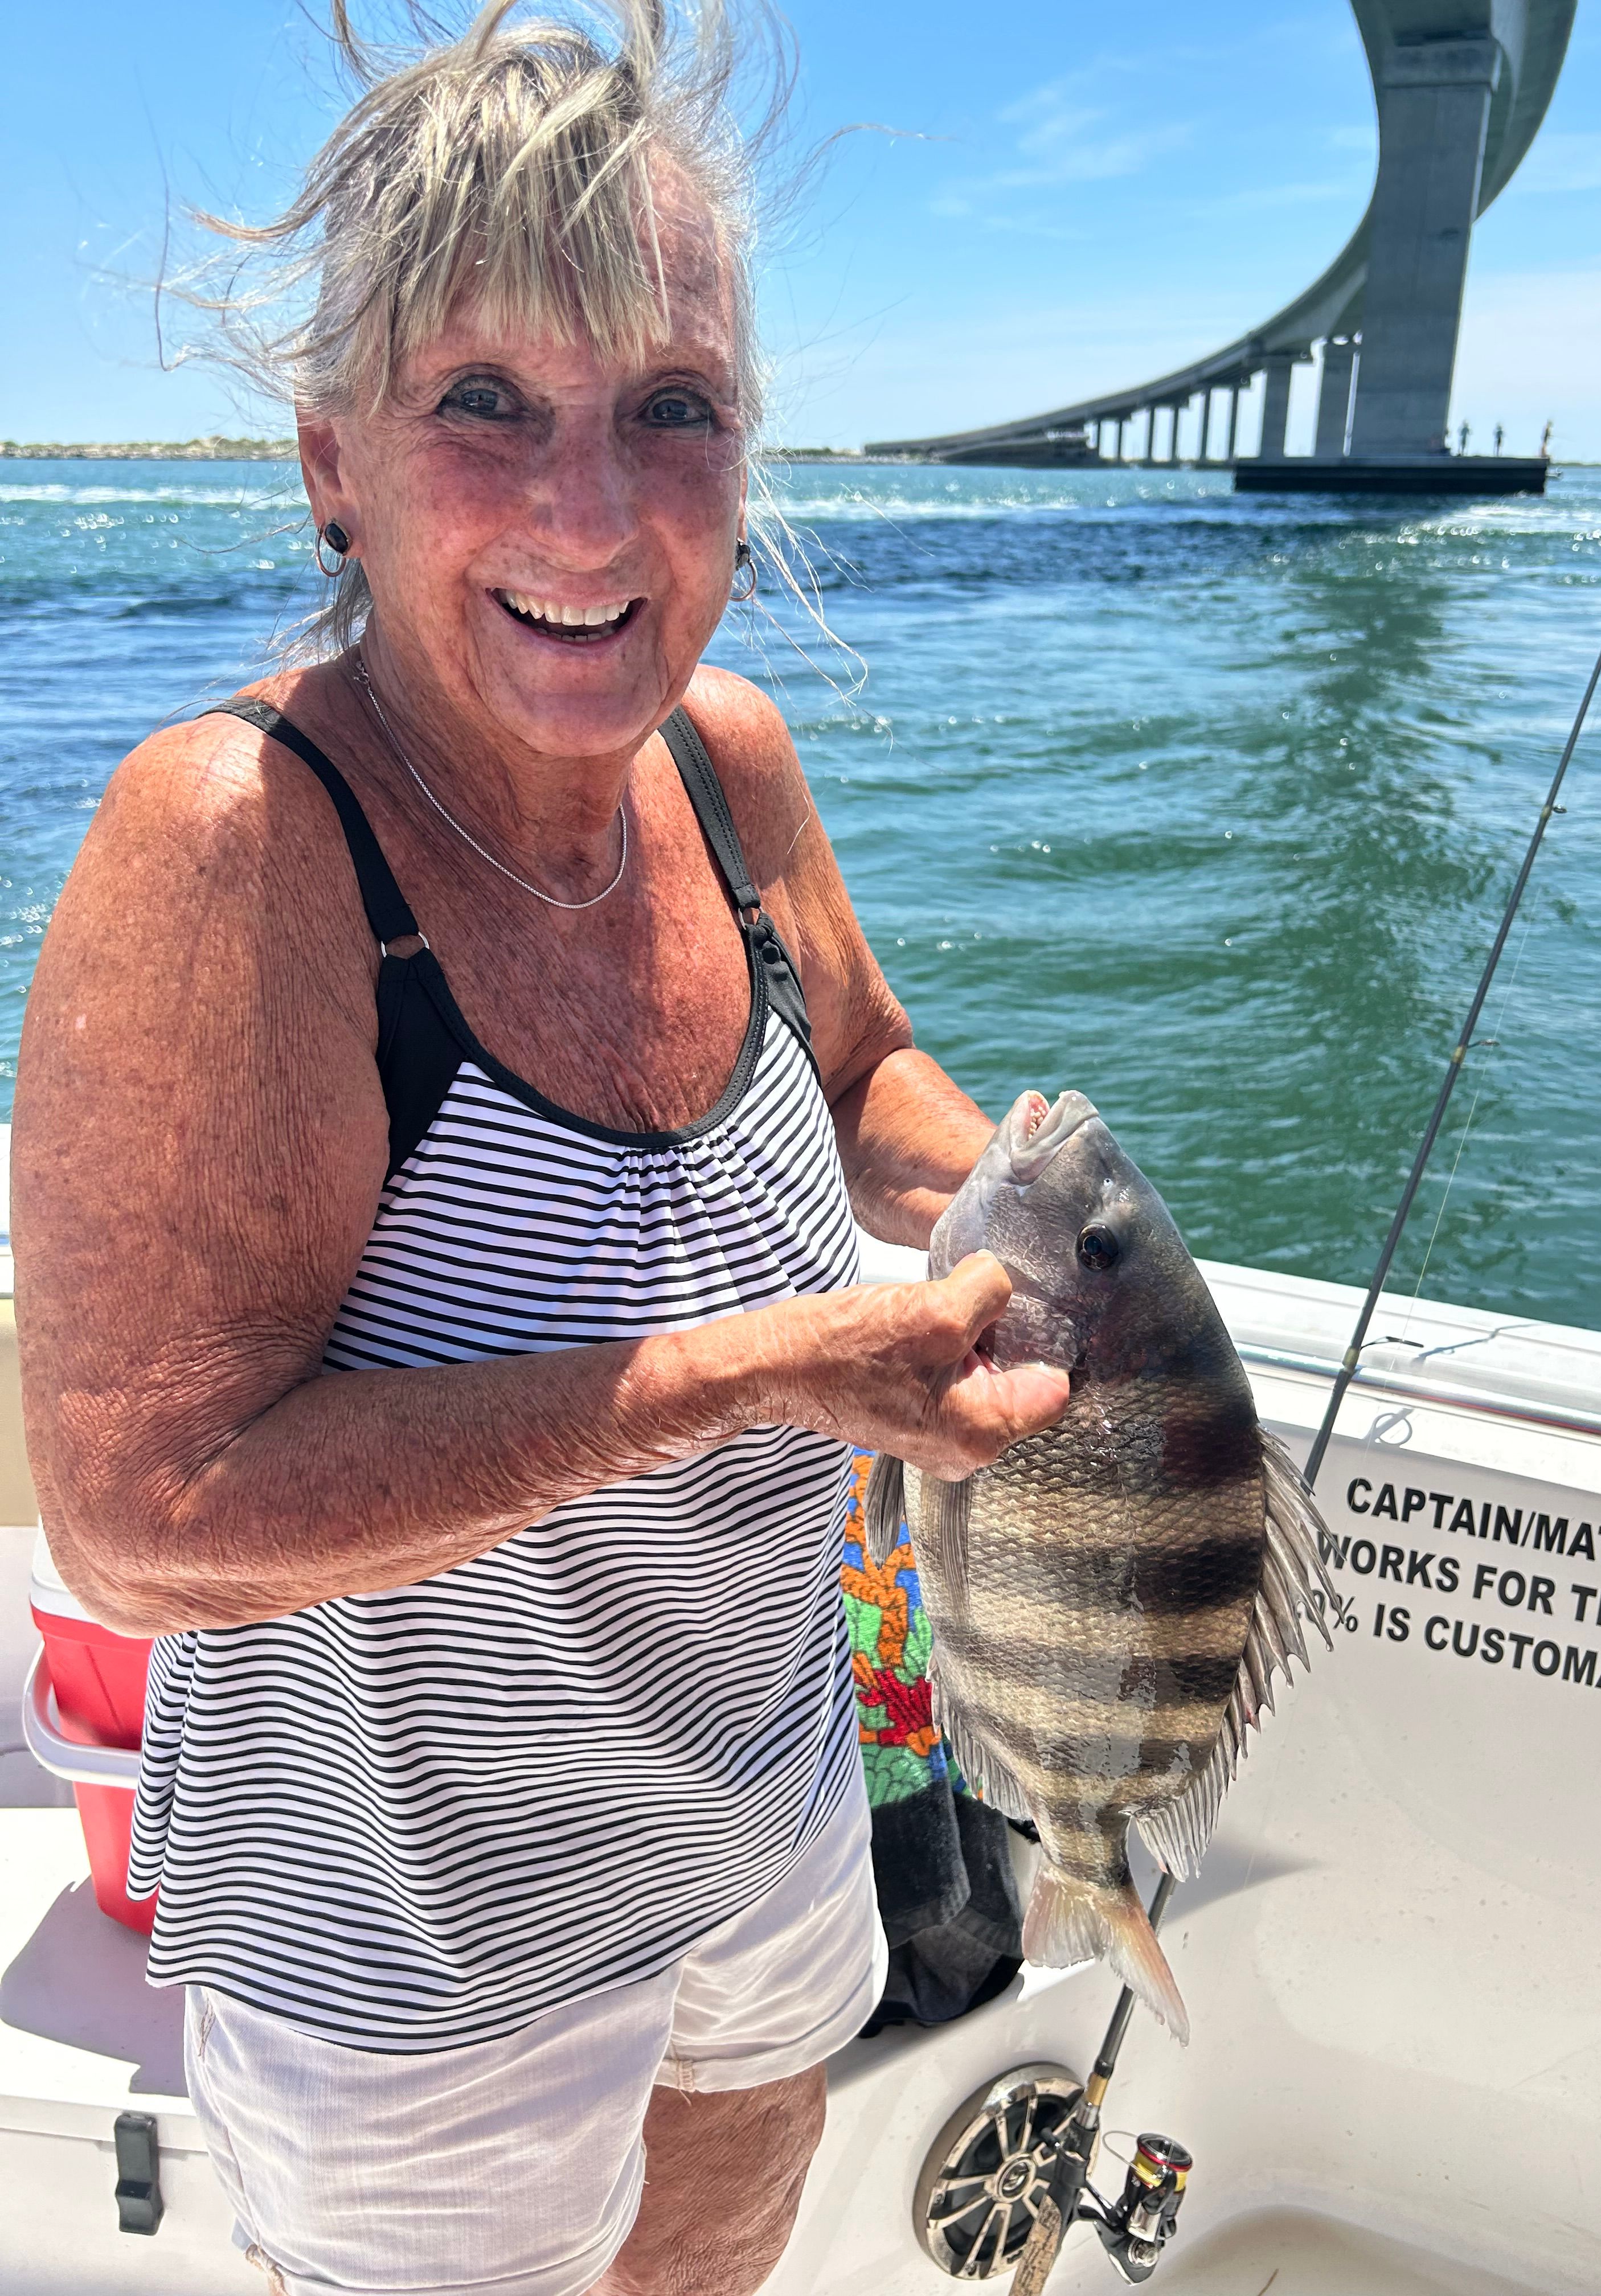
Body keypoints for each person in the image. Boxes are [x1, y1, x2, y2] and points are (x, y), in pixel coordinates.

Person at [10, 7, 1068, 2294]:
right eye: (485, 402)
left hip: (765, 1815)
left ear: (744, 447)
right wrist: (766, 1374)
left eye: (668, 410)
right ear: (331, 463)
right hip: (416, 1961)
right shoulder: (237, 848)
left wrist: (1047, 1224)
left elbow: (868, 1072)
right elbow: (144, 1515)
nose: (591, 512)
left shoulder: (728, 760)